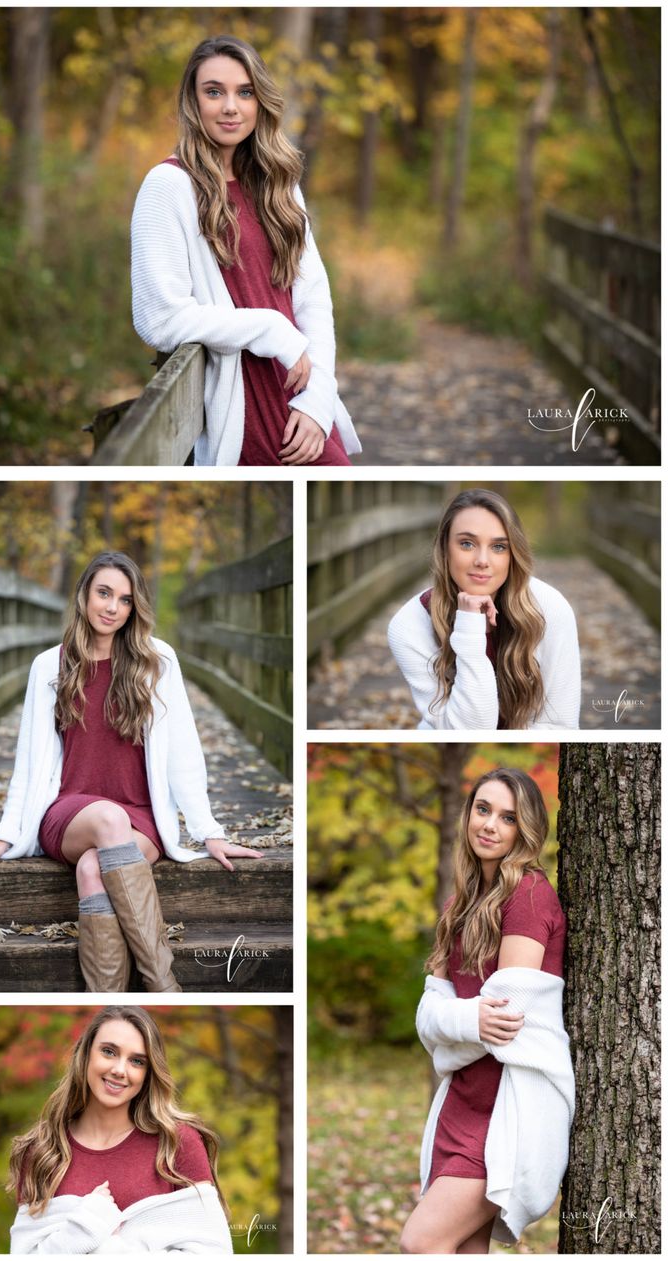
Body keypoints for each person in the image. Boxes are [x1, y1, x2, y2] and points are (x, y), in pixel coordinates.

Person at [0, 551, 261, 993]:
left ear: (136, 608)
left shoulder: (157, 660)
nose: (112, 607)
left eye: (125, 599)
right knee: (106, 821)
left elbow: (184, 752)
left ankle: (111, 995)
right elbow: (28, 760)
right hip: (70, 812)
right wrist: (4, 836)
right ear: (84, 596)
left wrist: (209, 830)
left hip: (141, 816)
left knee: (94, 869)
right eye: (104, 593)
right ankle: (164, 985)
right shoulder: (49, 666)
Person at [131, 34, 361, 467]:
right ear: (192, 102)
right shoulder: (168, 187)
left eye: (245, 92)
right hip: (246, 404)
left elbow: (312, 296)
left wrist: (319, 397)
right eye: (214, 92)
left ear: (261, 102)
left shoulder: (278, 183)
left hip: (303, 397)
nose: (230, 107)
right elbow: (159, 318)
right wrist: (272, 330)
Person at [403, 768, 574, 1254]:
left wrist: (454, 1023)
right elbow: (427, 1016)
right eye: (483, 810)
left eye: (508, 818)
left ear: (527, 830)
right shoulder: (460, 904)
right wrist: (462, 1021)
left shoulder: (528, 895)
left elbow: (505, 1017)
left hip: (506, 1108)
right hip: (461, 1102)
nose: (490, 826)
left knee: (423, 1241)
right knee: (464, 1248)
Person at [8, 1005, 233, 1254]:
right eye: (108, 1052)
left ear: (148, 1073)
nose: (119, 1070)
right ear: (85, 1055)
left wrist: (104, 1245)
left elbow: (214, 1254)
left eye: (137, 1061)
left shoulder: (177, 1144)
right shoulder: (42, 1151)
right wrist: (82, 1230)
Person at [387, 488, 581, 729]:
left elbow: (560, 725)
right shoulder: (410, 625)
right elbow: (466, 731)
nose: (482, 560)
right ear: (445, 548)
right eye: (467, 544)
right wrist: (469, 626)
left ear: (513, 555)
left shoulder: (549, 608)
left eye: (499, 547)